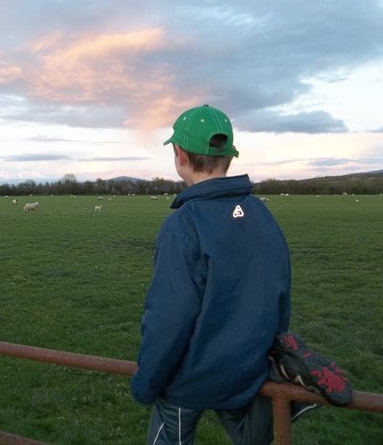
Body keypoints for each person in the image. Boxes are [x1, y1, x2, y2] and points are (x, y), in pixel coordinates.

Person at [131, 104, 310, 444]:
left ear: (179, 155)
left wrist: (146, 382)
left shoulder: (183, 225)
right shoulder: (263, 215)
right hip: (248, 373)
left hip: (189, 382)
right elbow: (279, 294)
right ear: (229, 158)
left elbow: (170, 316)